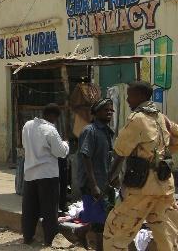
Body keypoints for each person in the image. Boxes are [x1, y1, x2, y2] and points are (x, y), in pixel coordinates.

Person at [103, 81, 178, 250]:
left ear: (140, 96)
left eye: (130, 96)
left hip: (142, 187)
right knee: (167, 233)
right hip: (165, 185)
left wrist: (109, 180)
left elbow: (120, 153)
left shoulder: (136, 119)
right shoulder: (160, 117)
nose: (128, 100)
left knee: (115, 230)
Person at [21, 103, 69, 246]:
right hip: (48, 175)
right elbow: (60, 152)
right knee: (49, 209)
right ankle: (50, 239)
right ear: (54, 116)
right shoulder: (50, 130)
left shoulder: (27, 126)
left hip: (30, 173)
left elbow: (25, 145)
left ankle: (27, 237)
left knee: (30, 208)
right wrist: (66, 144)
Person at [74, 98, 115, 251]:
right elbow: (86, 156)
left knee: (104, 218)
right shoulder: (89, 131)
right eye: (106, 109)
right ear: (96, 112)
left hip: (105, 182)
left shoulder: (108, 132)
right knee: (100, 224)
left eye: (111, 109)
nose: (109, 112)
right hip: (92, 184)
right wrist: (93, 185)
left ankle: (80, 231)